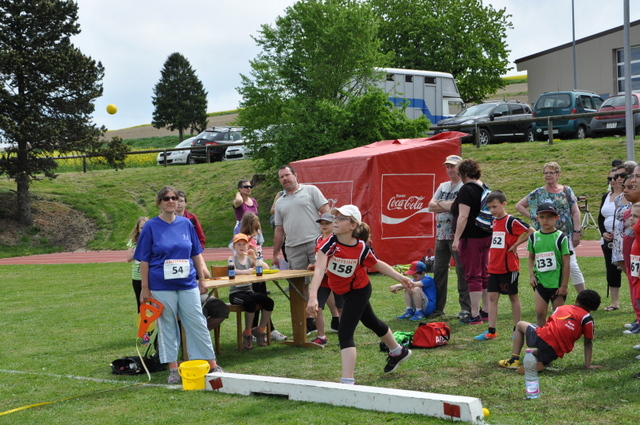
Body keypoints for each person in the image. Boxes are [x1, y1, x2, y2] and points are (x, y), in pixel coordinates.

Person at [307, 205, 413, 384]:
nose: (335, 221)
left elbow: (377, 263)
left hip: (359, 290)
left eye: (341, 218)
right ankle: (398, 351)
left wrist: (400, 277)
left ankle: (347, 381)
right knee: (371, 322)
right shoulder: (329, 243)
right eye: (335, 218)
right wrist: (313, 296)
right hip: (343, 291)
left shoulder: (361, 247)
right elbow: (319, 270)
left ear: (353, 225)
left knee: (345, 332)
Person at [135, 186, 219, 384]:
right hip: (161, 285)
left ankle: (211, 363)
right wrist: (145, 289)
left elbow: (196, 253)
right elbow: (144, 260)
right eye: (166, 198)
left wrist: (202, 279)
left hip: (187, 282)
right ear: (159, 203)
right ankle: (173, 368)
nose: (171, 201)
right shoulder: (151, 226)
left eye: (173, 198)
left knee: (197, 321)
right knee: (168, 325)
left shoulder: (186, 224)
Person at [273, 164, 330, 333]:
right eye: (281, 177)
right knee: (300, 286)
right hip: (293, 248)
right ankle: (308, 321)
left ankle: (336, 318)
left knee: (326, 282)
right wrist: (275, 252)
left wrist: (328, 237)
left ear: (295, 175)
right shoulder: (280, 202)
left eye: (287, 175)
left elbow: (326, 212)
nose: (285, 179)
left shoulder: (311, 190)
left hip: (315, 244)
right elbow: (279, 229)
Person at [515, 162, 585, 293]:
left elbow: (575, 212)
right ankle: (549, 294)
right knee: (550, 266)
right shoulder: (538, 192)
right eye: (545, 173)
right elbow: (519, 205)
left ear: (558, 174)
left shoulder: (567, 190)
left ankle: (583, 295)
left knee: (572, 265)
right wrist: (534, 217)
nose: (548, 175)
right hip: (546, 236)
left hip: (565, 235)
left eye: (551, 172)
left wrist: (577, 231)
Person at [475, 191, 534, 341]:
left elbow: (531, 231)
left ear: (504, 204)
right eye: (489, 207)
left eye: (495, 206)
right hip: (494, 267)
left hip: (508, 267)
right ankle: (491, 331)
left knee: (513, 297)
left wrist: (516, 245)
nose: (492, 210)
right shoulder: (494, 221)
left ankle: (517, 329)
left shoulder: (511, 221)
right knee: (492, 296)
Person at [498, 289, 602, 373]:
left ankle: (514, 360)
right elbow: (588, 343)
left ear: (576, 300)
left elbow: (549, 324)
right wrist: (588, 365)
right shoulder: (587, 319)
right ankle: (538, 362)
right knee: (539, 354)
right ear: (593, 309)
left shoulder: (561, 308)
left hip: (544, 338)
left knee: (520, 324)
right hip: (556, 351)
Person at [427, 154, 468, 319]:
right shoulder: (443, 186)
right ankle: (438, 308)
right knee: (438, 270)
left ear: (460, 168)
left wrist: (441, 204)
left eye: (453, 166)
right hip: (441, 234)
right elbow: (430, 206)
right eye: (448, 167)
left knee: (461, 270)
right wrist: (447, 206)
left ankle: (466, 308)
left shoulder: (464, 186)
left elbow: (457, 207)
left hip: (457, 234)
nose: (450, 170)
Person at [451, 159, 490, 325]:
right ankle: (486, 310)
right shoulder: (484, 186)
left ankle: (474, 314)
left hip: (471, 237)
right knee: (484, 273)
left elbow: (463, 216)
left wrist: (456, 239)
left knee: (473, 275)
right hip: (486, 235)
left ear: (464, 173)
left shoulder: (466, 189)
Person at [239, 212, 288, 341]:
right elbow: (255, 262)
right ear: (254, 224)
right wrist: (259, 262)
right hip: (252, 278)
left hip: (259, 276)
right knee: (259, 303)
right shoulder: (247, 241)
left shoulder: (253, 240)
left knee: (263, 302)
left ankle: (267, 329)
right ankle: (259, 330)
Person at [228, 233, 275, 350]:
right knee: (250, 303)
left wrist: (255, 257)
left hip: (248, 291)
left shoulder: (249, 259)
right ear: (234, 246)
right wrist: (246, 272)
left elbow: (266, 267)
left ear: (248, 246)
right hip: (235, 293)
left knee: (269, 302)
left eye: (244, 244)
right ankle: (247, 332)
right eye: (239, 244)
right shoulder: (232, 258)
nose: (241, 247)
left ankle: (260, 330)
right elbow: (232, 270)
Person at [527, 202, 571, 327]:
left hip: (556, 283)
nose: (545, 220)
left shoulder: (561, 237)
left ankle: (558, 337)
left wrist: (564, 285)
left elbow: (566, 263)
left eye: (549, 217)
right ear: (537, 218)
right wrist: (532, 275)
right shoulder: (534, 237)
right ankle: (541, 336)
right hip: (540, 281)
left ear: (556, 218)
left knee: (558, 315)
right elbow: (531, 257)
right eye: (542, 217)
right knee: (540, 312)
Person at [308, 212, 344, 345]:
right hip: (322, 280)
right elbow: (319, 259)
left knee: (341, 308)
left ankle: (345, 336)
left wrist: (330, 269)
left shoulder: (339, 239)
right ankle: (321, 336)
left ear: (334, 224)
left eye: (327, 223)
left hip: (337, 278)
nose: (324, 226)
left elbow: (341, 258)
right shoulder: (318, 239)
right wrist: (314, 266)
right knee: (317, 307)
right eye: (322, 223)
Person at [599, 168, 624, 311]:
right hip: (607, 239)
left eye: (616, 177)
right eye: (610, 178)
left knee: (629, 269)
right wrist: (603, 232)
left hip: (624, 236)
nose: (613, 180)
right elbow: (600, 217)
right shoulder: (606, 196)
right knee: (611, 269)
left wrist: (618, 231)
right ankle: (615, 302)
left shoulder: (628, 195)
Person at [126, 216, 149, 313]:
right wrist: (140, 252)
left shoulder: (153, 240)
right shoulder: (133, 242)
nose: (144, 230)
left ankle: (154, 321)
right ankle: (142, 321)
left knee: (154, 303)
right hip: (137, 276)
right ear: (138, 229)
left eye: (146, 227)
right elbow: (129, 258)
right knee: (141, 303)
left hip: (150, 276)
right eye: (141, 228)